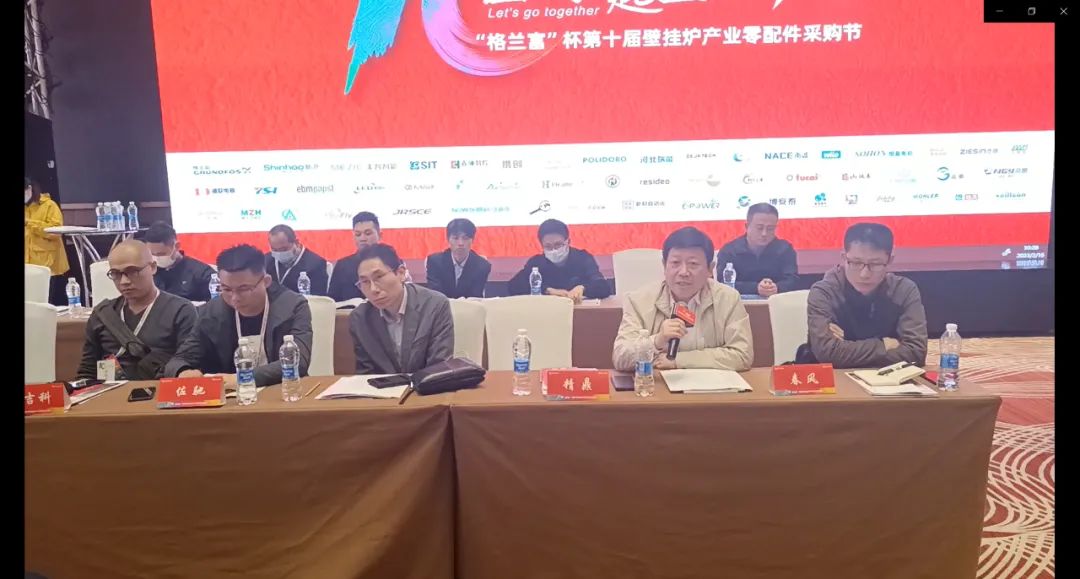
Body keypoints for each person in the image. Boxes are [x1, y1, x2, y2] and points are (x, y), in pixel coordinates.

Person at [165, 244, 313, 387]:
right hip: (231, 397)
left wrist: (241, 378)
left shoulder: (292, 306)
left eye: (244, 289)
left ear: (266, 281)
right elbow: (178, 360)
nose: (235, 298)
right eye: (226, 289)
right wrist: (183, 372)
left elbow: (298, 362)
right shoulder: (210, 313)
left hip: (284, 390)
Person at [612, 227, 753, 371]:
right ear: (664, 265)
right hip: (658, 383)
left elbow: (742, 355)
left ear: (710, 269)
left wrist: (679, 360)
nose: (683, 272)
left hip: (713, 384)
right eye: (675, 263)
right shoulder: (638, 301)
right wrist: (657, 341)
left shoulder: (728, 299)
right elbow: (620, 358)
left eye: (693, 264)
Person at [802, 223, 927, 369]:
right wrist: (884, 345)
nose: (864, 274)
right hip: (835, 379)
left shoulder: (904, 290)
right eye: (856, 263)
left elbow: (916, 353)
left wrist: (845, 350)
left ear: (890, 260)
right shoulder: (824, 292)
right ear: (843, 257)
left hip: (889, 378)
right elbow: (827, 353)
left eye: (875, 264)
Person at [77, 241, 197, 380]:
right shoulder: (103, 314)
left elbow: (186, 364)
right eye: (116, 274)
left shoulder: (180, 310)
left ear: (153, 267)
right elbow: (88, 370)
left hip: (158, 388)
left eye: (133, 271)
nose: (124, 281)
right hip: (110, 390)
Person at [349, 243, 455, 374]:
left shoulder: (435, 305)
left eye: (379, 277)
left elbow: (439, 368)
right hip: (383, 387)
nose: (373, 289)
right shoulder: (360, 318)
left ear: (401, 273)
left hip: (428, 385)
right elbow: (366, 374)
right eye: (365, 282)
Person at [507, 219, 611, 303]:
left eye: (558, 245)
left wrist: (583, 288)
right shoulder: (536, 263)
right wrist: (548, 291)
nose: (554, 250)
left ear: (568, 241)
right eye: (548, 246)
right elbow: (513, 286)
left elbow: (603, 287)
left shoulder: (583, 258)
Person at [716, 203, 799, 297]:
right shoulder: (730, 251)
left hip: (776, 301)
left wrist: (777, 287)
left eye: (770, 229)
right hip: (740, 302)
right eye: (759, 228)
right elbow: (722, 284)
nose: (764, 233)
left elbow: (793, 280)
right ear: (747, 226)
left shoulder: (784, 250)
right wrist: (755, 288)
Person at [24, 178, 70, 305]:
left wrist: (30, 223)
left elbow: (56, 231)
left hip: (47, 262)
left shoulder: (49, 205)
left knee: (45, 301)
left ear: (29, 189)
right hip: (28, 263)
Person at [144, 221, 215, 302]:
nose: (156, 258)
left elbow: (215, 304)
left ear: (177, 246)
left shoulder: (201, 273)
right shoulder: (148, 272)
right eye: (152, 254)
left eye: (161, 254)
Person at [425, 218, 491, 298]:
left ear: (472, 240)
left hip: (468, 305)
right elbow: (435, 295)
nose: (461, 243)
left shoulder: (482, 266)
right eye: (456, 238)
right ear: (448, 239)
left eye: (465, 238)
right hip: (442, 305)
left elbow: (475, 296)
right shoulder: (435, 262)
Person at [328, 211, 381, 301]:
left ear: (380, 235)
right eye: (358, 234)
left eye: (368, 233)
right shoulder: (343, 265)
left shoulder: (390, 260)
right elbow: (332, 301)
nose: (362, 238)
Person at [265, 224, 329, 296]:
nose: (279, 253)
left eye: (284, 249)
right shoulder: (265, 261)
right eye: (274, 250)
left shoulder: (316, 264)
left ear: (296, 242)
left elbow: (318, 298)